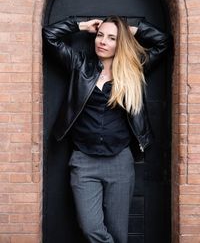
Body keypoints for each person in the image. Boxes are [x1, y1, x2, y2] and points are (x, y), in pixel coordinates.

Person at [42, 16, 170, 243]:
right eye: (100, 35)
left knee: (119, 234)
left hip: (119, 162)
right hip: (83, 161)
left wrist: (131, 30)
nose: (102, 41)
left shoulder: (133, 68)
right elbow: (49, 36)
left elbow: (164, 42)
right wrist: (81, 26)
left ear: (121, 43)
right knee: (91, 228)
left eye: (112, 38)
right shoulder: (80, 65)